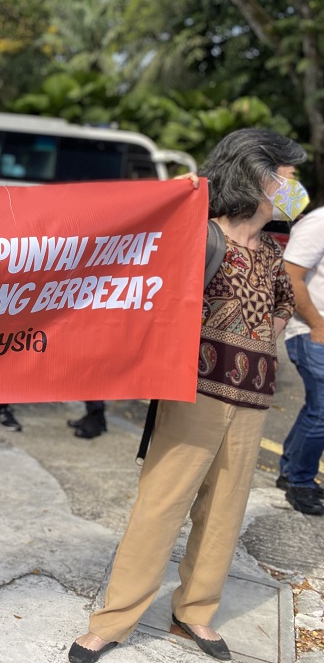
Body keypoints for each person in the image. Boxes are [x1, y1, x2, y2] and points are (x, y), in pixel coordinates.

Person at [68, 128, 302, 663]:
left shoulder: (270, 252)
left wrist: (265, 336)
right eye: (287, 176)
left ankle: (194, 612)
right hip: (194, 394)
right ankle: (112, 622)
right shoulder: (200, 236)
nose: (295, 186)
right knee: (161, 506)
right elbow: (157, 298)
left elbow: (283, 303)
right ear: (256, 177)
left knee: (224, 513)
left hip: (252, 401)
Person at [277, 204, 324, 514]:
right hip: (311, 331)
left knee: (316, 407)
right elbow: (290, 276)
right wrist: (318, 325)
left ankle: (290, 470)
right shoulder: (319, 222)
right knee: (322, 410)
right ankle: (301, 483)